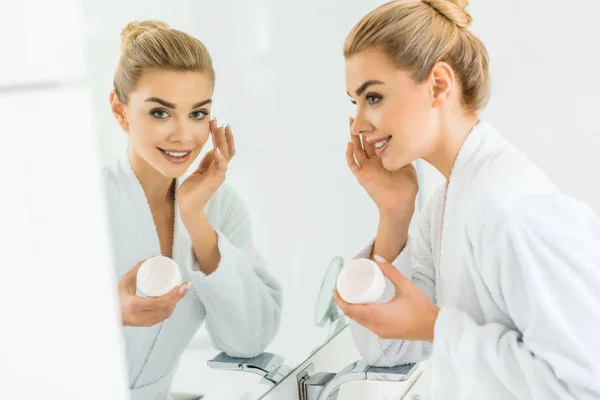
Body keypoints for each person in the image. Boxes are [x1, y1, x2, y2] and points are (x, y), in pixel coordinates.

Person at [333, 1, 600, 399]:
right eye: (353, 103)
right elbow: (387, 347)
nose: (357, 124)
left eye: (372, 98)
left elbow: (584, 384)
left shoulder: (510, 210)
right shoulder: (446, 205)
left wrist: (436, 327)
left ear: (439, 84)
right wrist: (394, 211)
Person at [103, 20, 282, 399]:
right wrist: (108, 313)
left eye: (198, 113)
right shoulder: (89, 200)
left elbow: (249, 339)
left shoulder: (219, 205)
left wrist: (196, 219)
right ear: (120, 111)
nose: (184, 135)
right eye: (160, 113)